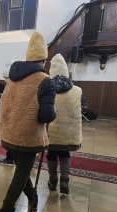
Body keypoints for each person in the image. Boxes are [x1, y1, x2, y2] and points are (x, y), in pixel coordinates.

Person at [0, 31, 56, 212]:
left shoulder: (13, 76)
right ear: (44, 60)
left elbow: (4, 105)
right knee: (21, 173)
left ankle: (33, 198)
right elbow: (46, 116)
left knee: (22, 170)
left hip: (8, 134)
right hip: (27, 137)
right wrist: (54, 113)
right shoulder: (45, 80)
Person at [47, 53, 82, 194]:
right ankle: (65, 180)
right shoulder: (77, 91)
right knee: (65, 154)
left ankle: (53, 179)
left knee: (51, 155)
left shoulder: (48, 89)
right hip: (69, 132)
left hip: (52, 132)